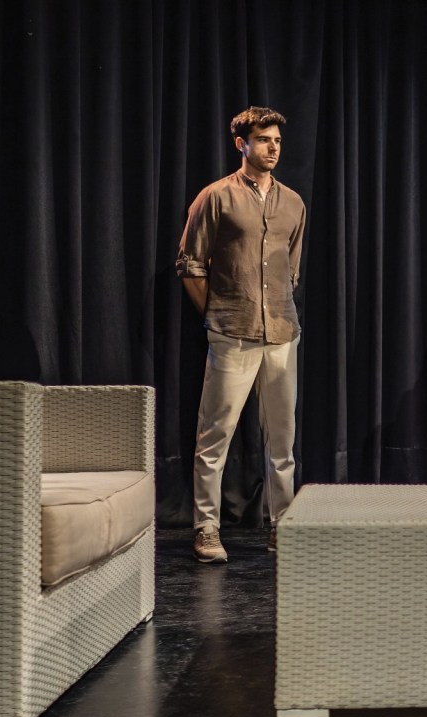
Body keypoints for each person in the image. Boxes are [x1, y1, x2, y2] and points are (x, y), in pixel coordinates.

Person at [176, 106, 307, 563]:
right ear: (241, 144)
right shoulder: (215, 197)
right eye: (264, 139)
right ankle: (206, 528)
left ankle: (281, 527)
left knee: (283, 444)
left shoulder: (293, 203)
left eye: (277, 141)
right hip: (232, 332)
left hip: (282, 333)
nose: (273, 148)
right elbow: (191, 265)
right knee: (215, 436)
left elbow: (291, 270)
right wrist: (219, 313)